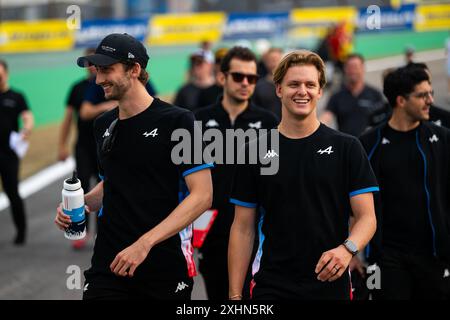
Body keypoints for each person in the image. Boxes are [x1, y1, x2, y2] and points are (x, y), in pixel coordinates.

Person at [54, 33, 213, 300]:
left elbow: (203, 195)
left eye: (107, 70)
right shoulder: (103, 124)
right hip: (108, 265)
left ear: (135, 69)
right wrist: (83, 203)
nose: (99, 78)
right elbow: (115, 181)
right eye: (97, 70)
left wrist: (144, 244)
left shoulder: (180, 121)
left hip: (163, 266)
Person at [228, 50, 378, 300]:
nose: (302, 91)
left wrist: (347, 250)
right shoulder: (254, 150)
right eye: (293, 84)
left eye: (310, 84)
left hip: (330, 281)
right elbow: (242, 228)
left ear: (320, 91)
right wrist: (234, 296)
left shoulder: (347, 147)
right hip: (272, 284)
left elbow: (367, 218)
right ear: (279, 89)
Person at [194, 46, 279, 300]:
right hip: (211, 231)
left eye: (251, 78)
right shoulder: (196, 121)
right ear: (222, 78)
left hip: (253, 232)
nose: (245, 83)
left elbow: (275, 180)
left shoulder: (268, 124)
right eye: (238, 76)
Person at [359, 66, 450, 300]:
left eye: (430, 93)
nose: (430, 100)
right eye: (422, 95)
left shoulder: (442, 139)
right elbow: (346, 200)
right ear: (400, 100)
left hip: (435, 257)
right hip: (384, 259)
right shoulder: (368, 144)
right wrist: (351, 252)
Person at [58, 48, 104, 250]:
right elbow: (68, 118)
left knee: (106, 186)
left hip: (104, 147)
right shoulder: (77, 88)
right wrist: (62, 145)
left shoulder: (106, 86)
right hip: (84, 147)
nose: (92, 67)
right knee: (82, 187)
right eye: (89, 63)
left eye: (95, 63)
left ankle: (101, 233)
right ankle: (80, 230)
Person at [0, 59, 34, 245]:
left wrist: (27, 129)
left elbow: (27, 117)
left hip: (8, 154)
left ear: (6, 74)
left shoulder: (16, 96)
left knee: (12, 191)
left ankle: (21, 231)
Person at [320, 53, 385, 137]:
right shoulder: (337, 95)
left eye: (355, 67)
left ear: (363, 68)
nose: (352, 71)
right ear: (345, 69)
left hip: (369, 146)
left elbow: (384, 120)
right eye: (349, 67)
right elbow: (326, 117)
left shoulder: (375, 94)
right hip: (346, 145)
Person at [252, 47, 284, 119]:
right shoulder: (258, 86)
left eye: (277, 59)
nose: (274, 63)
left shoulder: (291, 83)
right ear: (265, 62)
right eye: (271, 60)